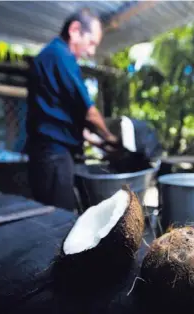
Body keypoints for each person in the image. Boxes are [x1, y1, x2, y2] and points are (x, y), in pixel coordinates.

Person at [26, 8, 119, 210]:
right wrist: (110, 138)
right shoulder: (60, 56)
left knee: (54, 212)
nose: (92, 51)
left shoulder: (51, 56)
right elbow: (88, 112)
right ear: (75, 30)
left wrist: (98, 142)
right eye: (92, 42)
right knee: (59, 217)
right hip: (53, 155)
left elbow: (64, 117)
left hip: (48, 153)